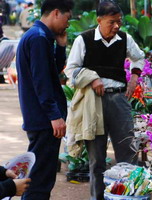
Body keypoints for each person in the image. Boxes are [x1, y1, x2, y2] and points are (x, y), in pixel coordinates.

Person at [65, 1, 145, 199]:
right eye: (112, 22)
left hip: (119, 99)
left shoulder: (125, 39)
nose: (117, 26)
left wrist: (134, 79)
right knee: (96, 158)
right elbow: (70, 70)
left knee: (128, 152)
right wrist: (92, 78)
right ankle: (97, 197)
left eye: (119, 21)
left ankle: (128, 196)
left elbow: (139, 57)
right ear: (99, 20)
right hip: (93, 103)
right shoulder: (83, 40)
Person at [15, 0, 74, 199]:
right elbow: (43, 83)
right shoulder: (38, 38)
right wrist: (54, 115)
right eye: (68, 18)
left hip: (40, 118)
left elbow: (51, 72)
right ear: (56, 13)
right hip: (43, 120)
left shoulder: (39, 36)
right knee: (40, 179)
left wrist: (61, 47)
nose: (68, 24)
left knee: (42, 174)